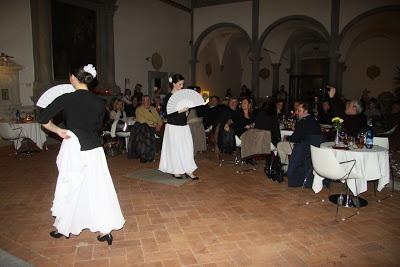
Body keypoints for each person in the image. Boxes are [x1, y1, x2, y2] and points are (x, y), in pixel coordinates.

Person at [37, 64, 124, 245]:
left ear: (73, 78)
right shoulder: (100, 102)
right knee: (98, 188)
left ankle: (64, 227)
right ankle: (105, 230)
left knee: (70, 186)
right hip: (94, 150)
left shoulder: (67, 98)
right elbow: (98, 127)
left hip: (74, 148)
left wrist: (58, 131)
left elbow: (43, 117)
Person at [159, 74, 199, 180]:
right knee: (175, 149)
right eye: (180, 84)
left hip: (183, 125)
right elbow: (168, 114)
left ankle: (188, 170)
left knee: (187, 148)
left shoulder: (182, 95)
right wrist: (181, 110)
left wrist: (186, 111)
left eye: (182, 84)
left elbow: (187, 110)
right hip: (173, 127)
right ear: (174, 84)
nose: (182, 86)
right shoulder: (168, 97)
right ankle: (176, 171)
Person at [277, 102, 321, 171]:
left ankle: (286, 169)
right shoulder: (315, 120)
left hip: (303, 149)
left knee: (280, 145)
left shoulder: (302, 122)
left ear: (305, 111)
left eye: (299, 111)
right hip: (314, 148)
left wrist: (286, 137)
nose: (297, 113)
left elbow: (295, 138)